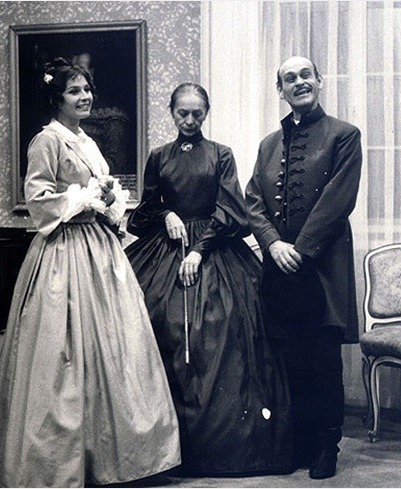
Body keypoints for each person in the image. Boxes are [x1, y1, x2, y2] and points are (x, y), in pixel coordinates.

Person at [0, 58, 181, 487]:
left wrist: (108, 198)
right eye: (74, 91)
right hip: (64, 252)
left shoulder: (87, 141)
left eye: (87, 90)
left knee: (117, 346)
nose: (85, 97)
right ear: (56, 98)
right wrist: (83, 197)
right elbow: (38, 199)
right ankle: (57, 463)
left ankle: (117, 456)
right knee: (60, 352)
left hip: (99, 248)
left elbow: (103, 191)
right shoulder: (47, 140)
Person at [124, 83, 293, 477]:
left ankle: (222, 449)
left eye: (197, 113)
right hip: (166, 248)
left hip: (214, 248)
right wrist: (166, 214)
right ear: (172, 113)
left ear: (206, 113)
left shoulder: (220, 154)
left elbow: (230, 209)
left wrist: (199, 250)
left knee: (224, 327)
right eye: (182, 113)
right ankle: (163, 448)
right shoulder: (159, 156)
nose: (189, 120)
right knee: (159, 323)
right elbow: (146, 207)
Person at [245, 56, 362, 480]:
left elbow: (338, 200)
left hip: (322, 268)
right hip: (279, 266)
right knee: (289, 357)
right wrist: (273, 244)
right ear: (281, 90)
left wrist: (301, 248)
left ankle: (327, 446)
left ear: (319, 81)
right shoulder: (268, 144)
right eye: (290, 78)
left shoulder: (344, 135)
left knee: (323, 360)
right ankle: (300, 442)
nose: (300, 83)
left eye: (306, 75)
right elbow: (253, 200)